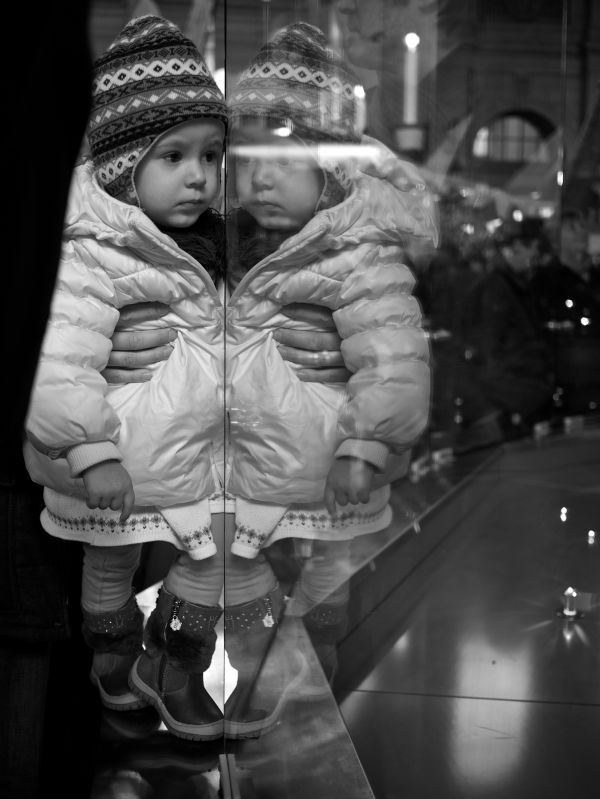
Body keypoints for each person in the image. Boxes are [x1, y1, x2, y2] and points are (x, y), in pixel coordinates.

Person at [24, 15, 231, 742]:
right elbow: (59, 358)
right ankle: (115, 660)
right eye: (172, 155)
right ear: (121, 165)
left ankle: (175, 663)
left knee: (215, 558)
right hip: (116, 462)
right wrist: (90, 450)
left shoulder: (208, 248)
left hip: (188, 460)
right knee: (108, 565)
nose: (199, 175)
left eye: (211, 155)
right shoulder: (93, 253)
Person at [453, 217, 555, 446]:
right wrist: (517, 402)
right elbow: (489, 357)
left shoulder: (510, 285)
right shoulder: (496, 290)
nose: (536, 259)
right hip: (509, 406)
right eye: (534, 249)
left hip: (513, 403)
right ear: (517, 247)